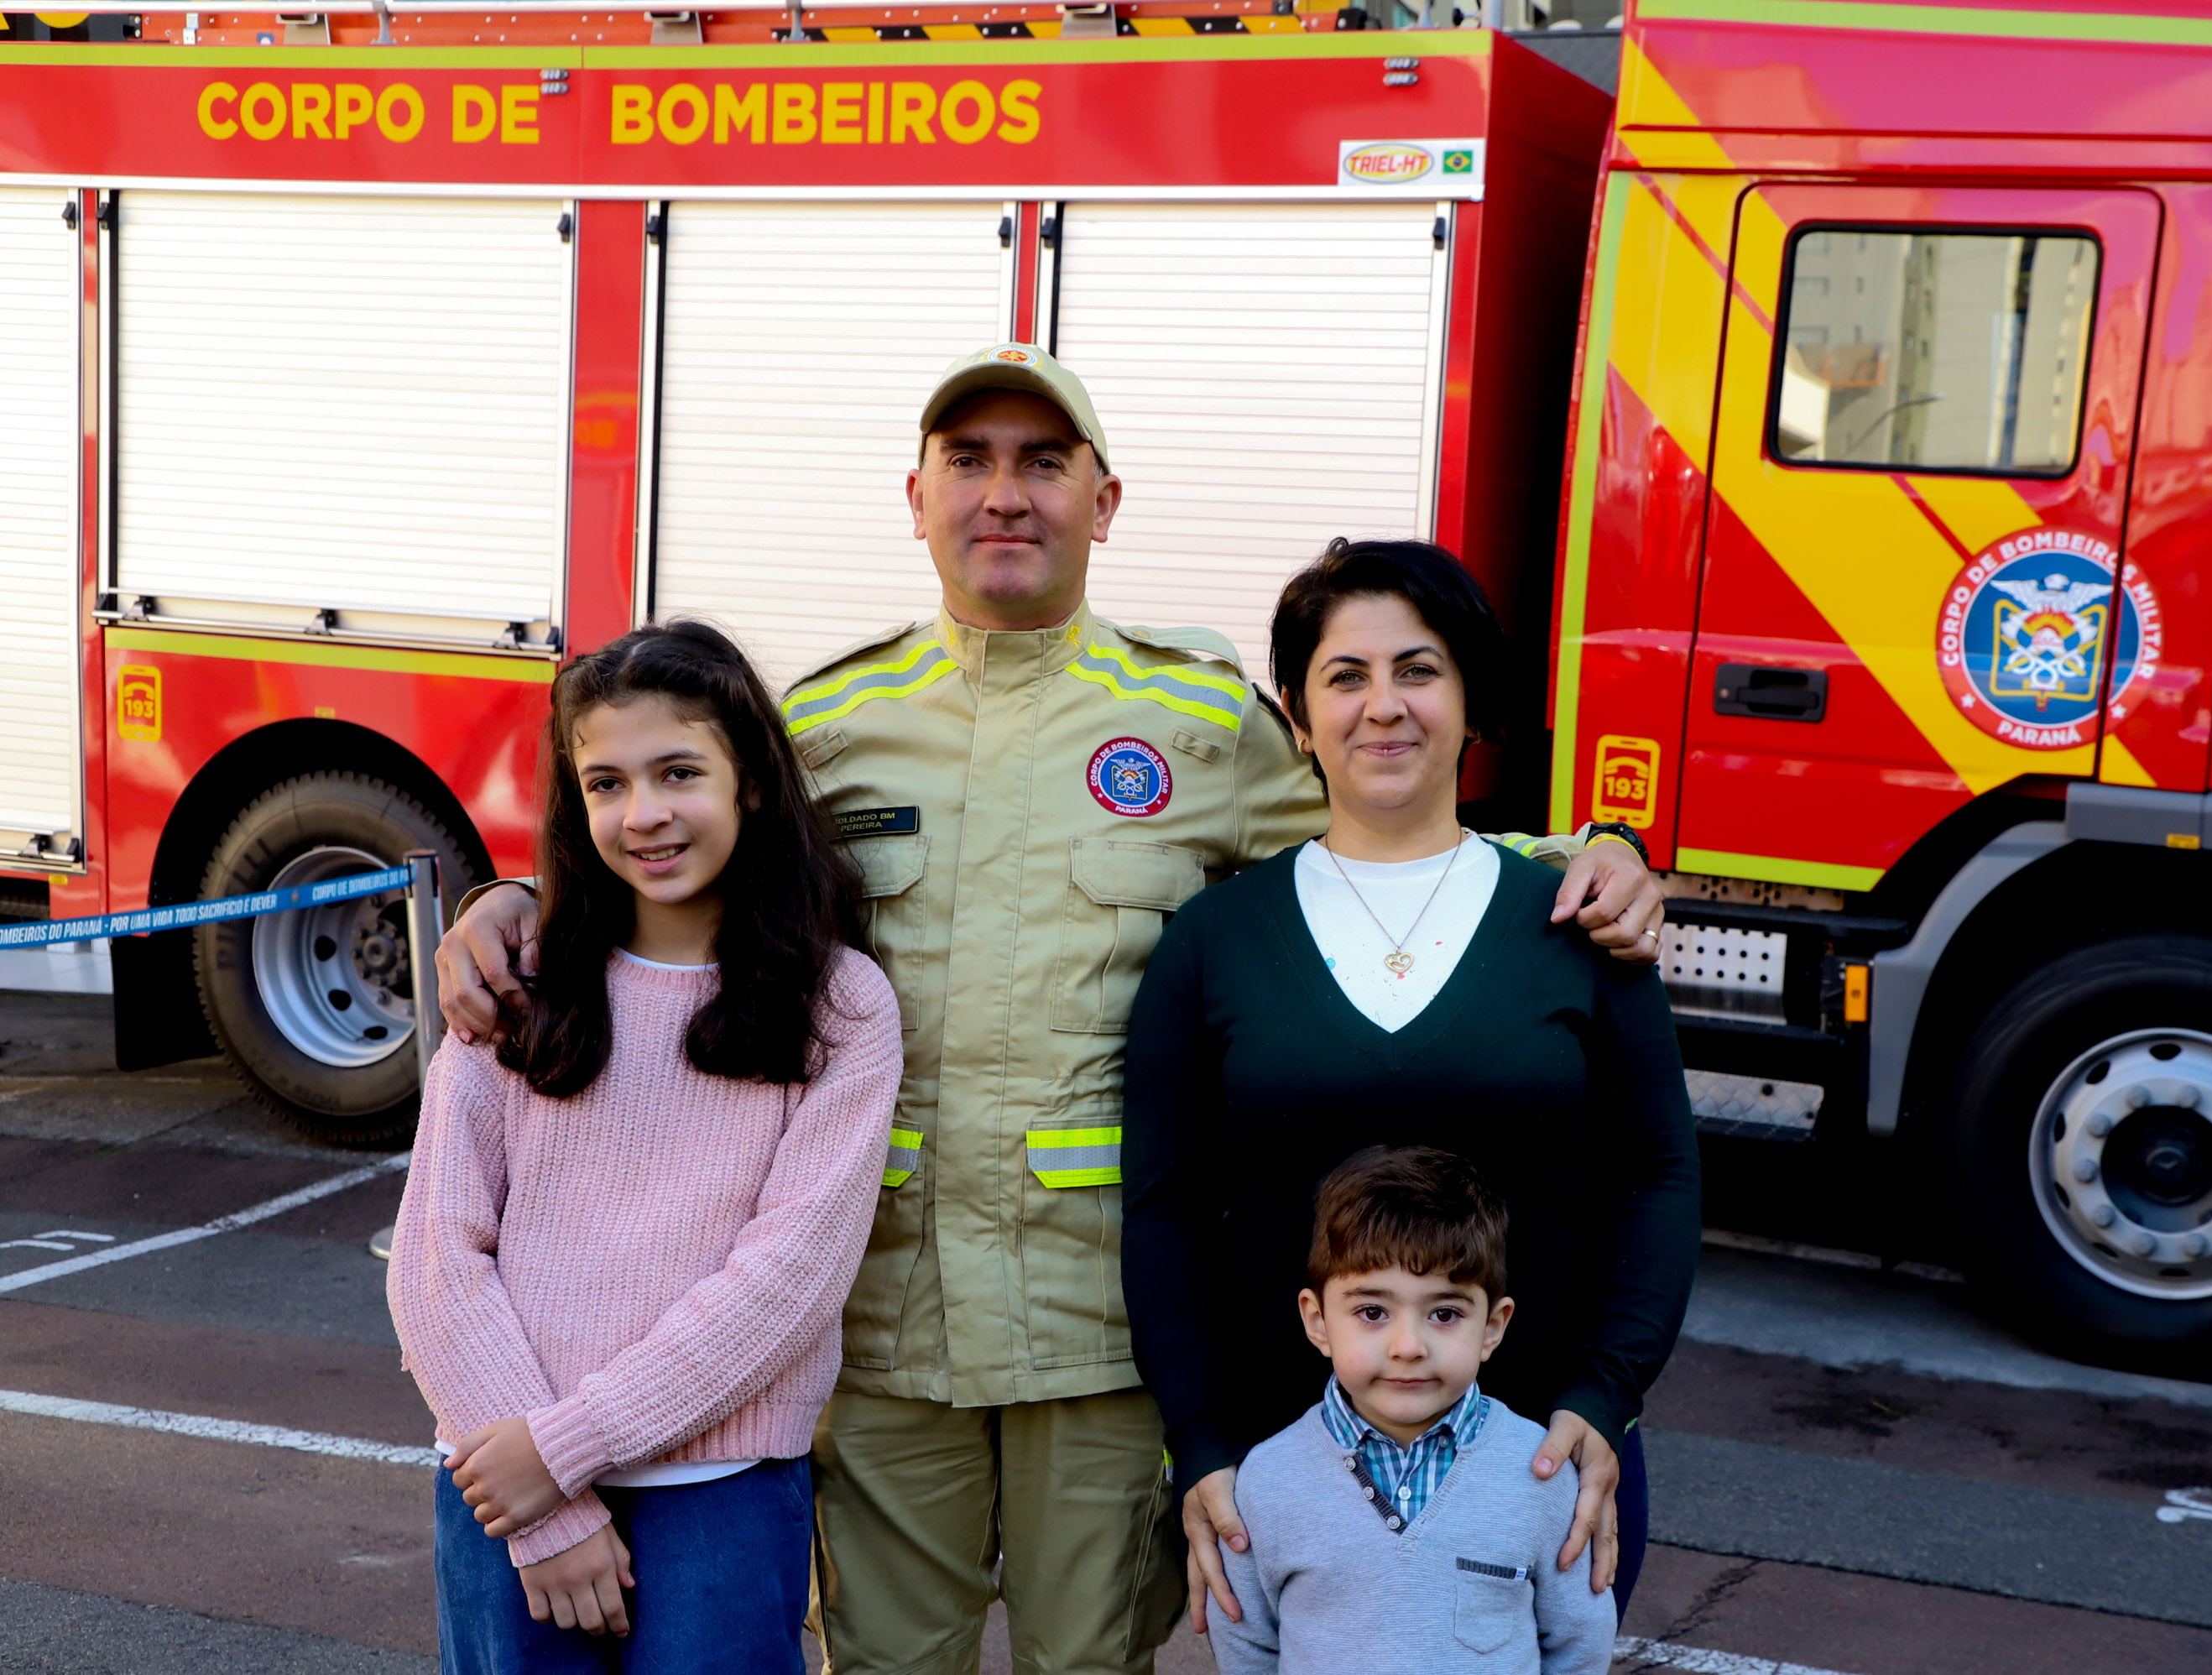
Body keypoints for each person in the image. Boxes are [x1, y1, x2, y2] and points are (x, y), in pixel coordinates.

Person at [432, 345, 1668, 1675]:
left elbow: (1384, 827)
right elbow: (680, 859)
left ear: (1106, 498)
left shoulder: (1198, 720)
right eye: (969, 461)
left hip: (1098, 1330)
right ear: (917, 497)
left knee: (1088, 1666)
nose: (1004, 494)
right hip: (885, 1324)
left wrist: (1579, 854)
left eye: (1043, 463)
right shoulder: (830, 721)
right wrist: (511, 901)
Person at [1122, 538, 1701, 1638]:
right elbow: (1165, 1206)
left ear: (1470, 698)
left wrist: (1603, 1397)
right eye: (1346, 677)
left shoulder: (1576, 921)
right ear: (1298, 716)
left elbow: (1659, 1178)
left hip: (1538, 1459)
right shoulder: (1216, 940)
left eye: (1419, 669)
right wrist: (1199, 1439)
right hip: (1287, 1467)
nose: (1383, 706)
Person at [388, 622, 902, 1672]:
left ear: (751, 778)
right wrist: (546, 1508)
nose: (646, 813)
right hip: (503, 1483)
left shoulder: (841, 1003)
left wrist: (567, 1449)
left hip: (718, 1490)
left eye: (679, 772)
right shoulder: (515, 983)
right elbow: (438, 1259)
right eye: (607, 783)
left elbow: (788, 1282)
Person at [1209, 1146, 1616, 1675]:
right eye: (1373, 1312)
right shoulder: (1267, 1480)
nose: (1409, 1346)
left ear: (1493, 1326)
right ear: (1317, 1321)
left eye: (1444, 1313)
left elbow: (1579, 1642)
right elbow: (1247, 1647)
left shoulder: (1540, 1473)